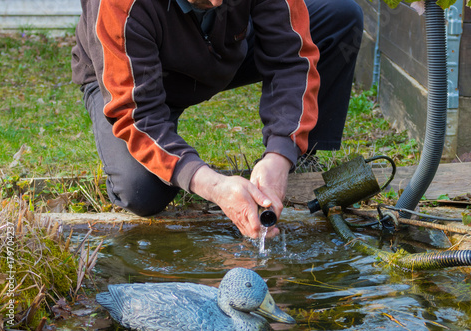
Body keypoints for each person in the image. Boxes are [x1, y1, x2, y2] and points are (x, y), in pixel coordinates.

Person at [71, 0, 363, 239]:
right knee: (142, 191)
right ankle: (154, 153)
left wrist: (281, 153)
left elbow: (291, 58)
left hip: (222, 50)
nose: (217, 2)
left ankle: (305, 157)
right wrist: (213, 186)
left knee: (341, 16)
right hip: (134, 74)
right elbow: (136, 114)